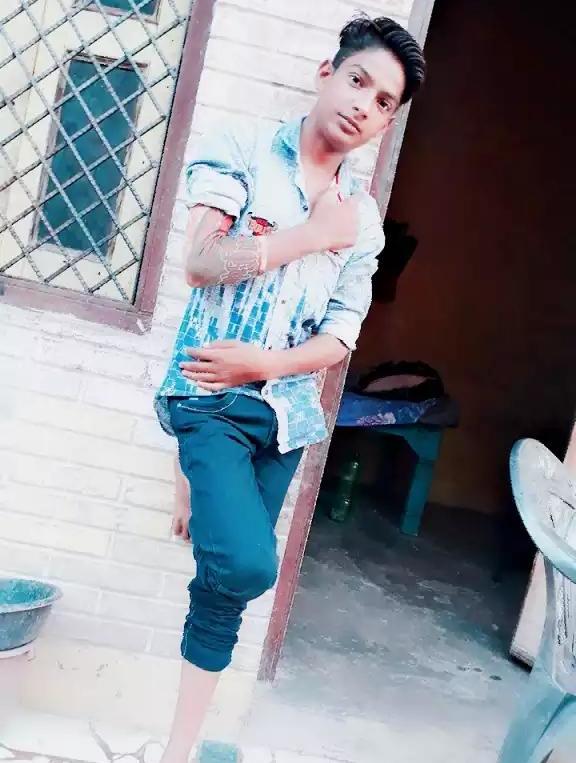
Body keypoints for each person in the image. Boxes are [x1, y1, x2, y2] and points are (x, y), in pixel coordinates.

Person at [155, 15, 426, 762]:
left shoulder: (364, 223)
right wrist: (309, 235)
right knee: (248, 566)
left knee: (220, 594)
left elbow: (341, 339)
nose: (364, 104)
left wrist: (267, 366)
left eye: (383, 102)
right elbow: (202, 262)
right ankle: (190, 462)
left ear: (387, 124)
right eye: (358, 81)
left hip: (284, 419)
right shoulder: (242, 147)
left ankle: (177, 751)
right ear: (326, 73)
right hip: (208, 394)